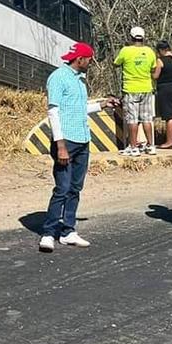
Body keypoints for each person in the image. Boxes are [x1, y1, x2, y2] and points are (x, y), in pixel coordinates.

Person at [39, 42, 113, 252]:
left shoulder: (80, 81)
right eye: (89, 59)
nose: (90, 63)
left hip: (82, 139)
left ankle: (68, 231)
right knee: (62, 188)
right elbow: (53, 112)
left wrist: (102, 105)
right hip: (66, 141)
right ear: (80, 59)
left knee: (75, 188)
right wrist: (60, 144)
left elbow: (79, 109)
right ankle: (48, 232)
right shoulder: (58, 78)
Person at [114, 26, 161, 156]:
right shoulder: (150, 51)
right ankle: (151, 146)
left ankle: (133, 147)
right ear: (143, 38)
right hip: (146, 88)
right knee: (147, 118)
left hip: (130, 88)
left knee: (132, 119)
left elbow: (116, 63)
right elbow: (153, 68)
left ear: (131, 37)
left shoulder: (125, 51)